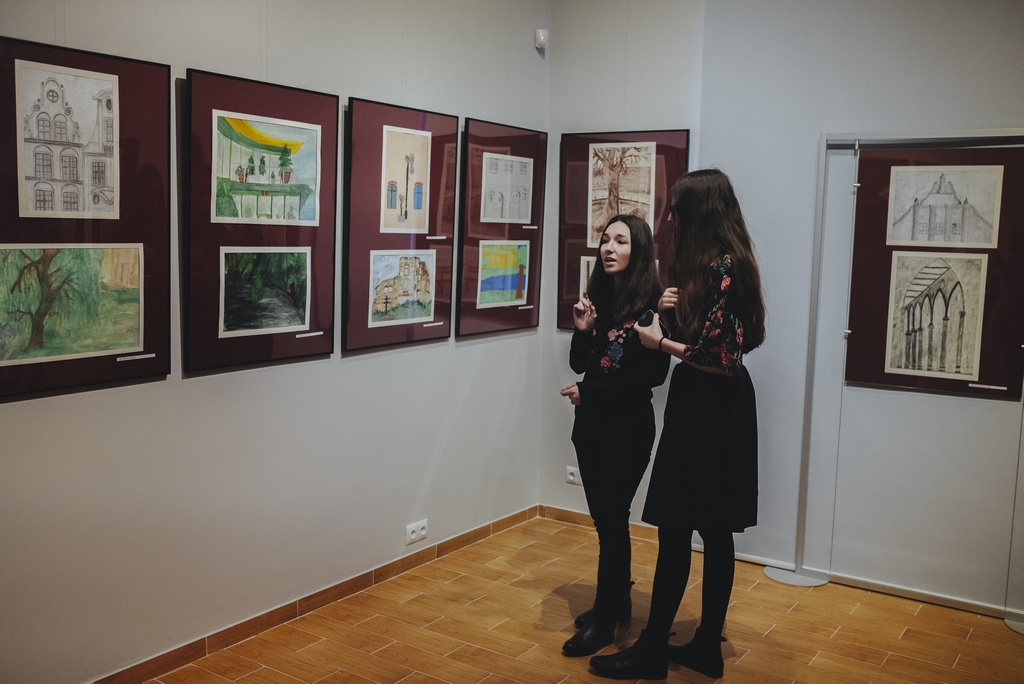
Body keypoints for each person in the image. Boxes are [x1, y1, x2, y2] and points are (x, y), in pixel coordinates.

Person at [589, 169, 766, 680]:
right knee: (714, 529)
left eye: (679, 210)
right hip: (717, 406)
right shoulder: (728, 264)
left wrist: (659, 341)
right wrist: (671, 314)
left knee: (677, 527)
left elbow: (720, 359)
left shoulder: (722, 267)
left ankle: (651, 652)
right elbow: (724, 343)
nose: (672, 219)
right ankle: (705, 646)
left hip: (709, 407)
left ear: (700, 213)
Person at [559, 214, 670, 657]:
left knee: (611, 515)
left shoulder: (655, 306)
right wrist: (582, 330)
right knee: (606, 521)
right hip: (590, 428)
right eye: (605, 240)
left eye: (620, 241)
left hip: (628, 428)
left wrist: (589, 392)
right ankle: (617, 599)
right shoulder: (601, 298)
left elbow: (652, 375)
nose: (608, 248)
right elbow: (579, 363)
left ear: (638, 250)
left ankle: (604, 621)